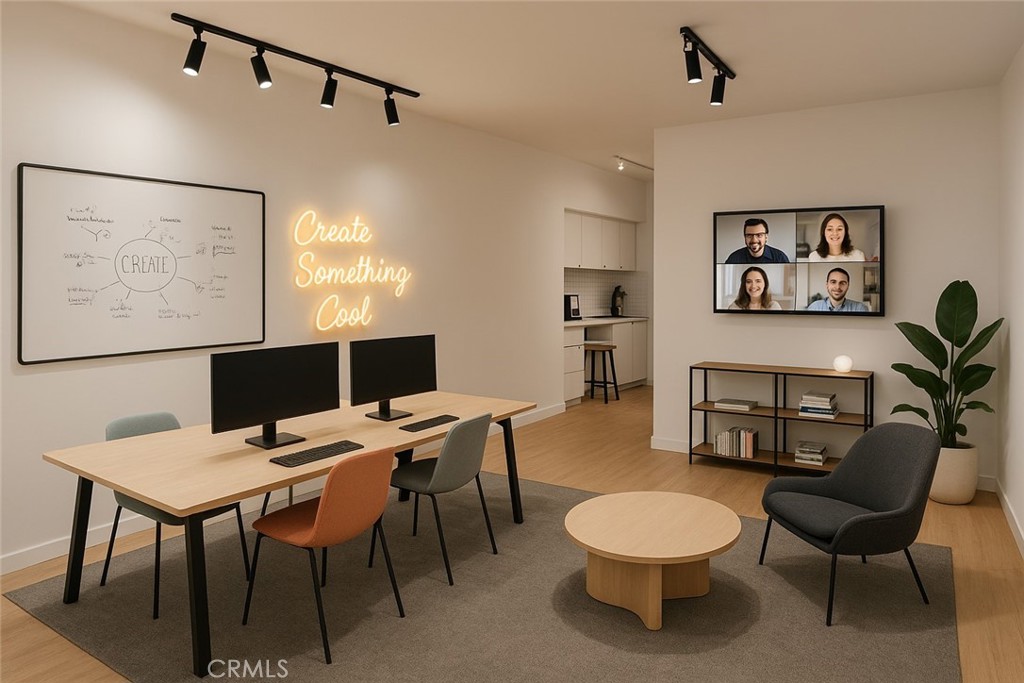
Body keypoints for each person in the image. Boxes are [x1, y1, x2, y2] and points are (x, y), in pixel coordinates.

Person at [725, 218, 790, 264]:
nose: (754, 240)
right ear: (745, 237)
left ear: (766, 237)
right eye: (749, 235)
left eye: (759, 235)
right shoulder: (733, 258)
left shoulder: (780, 258)